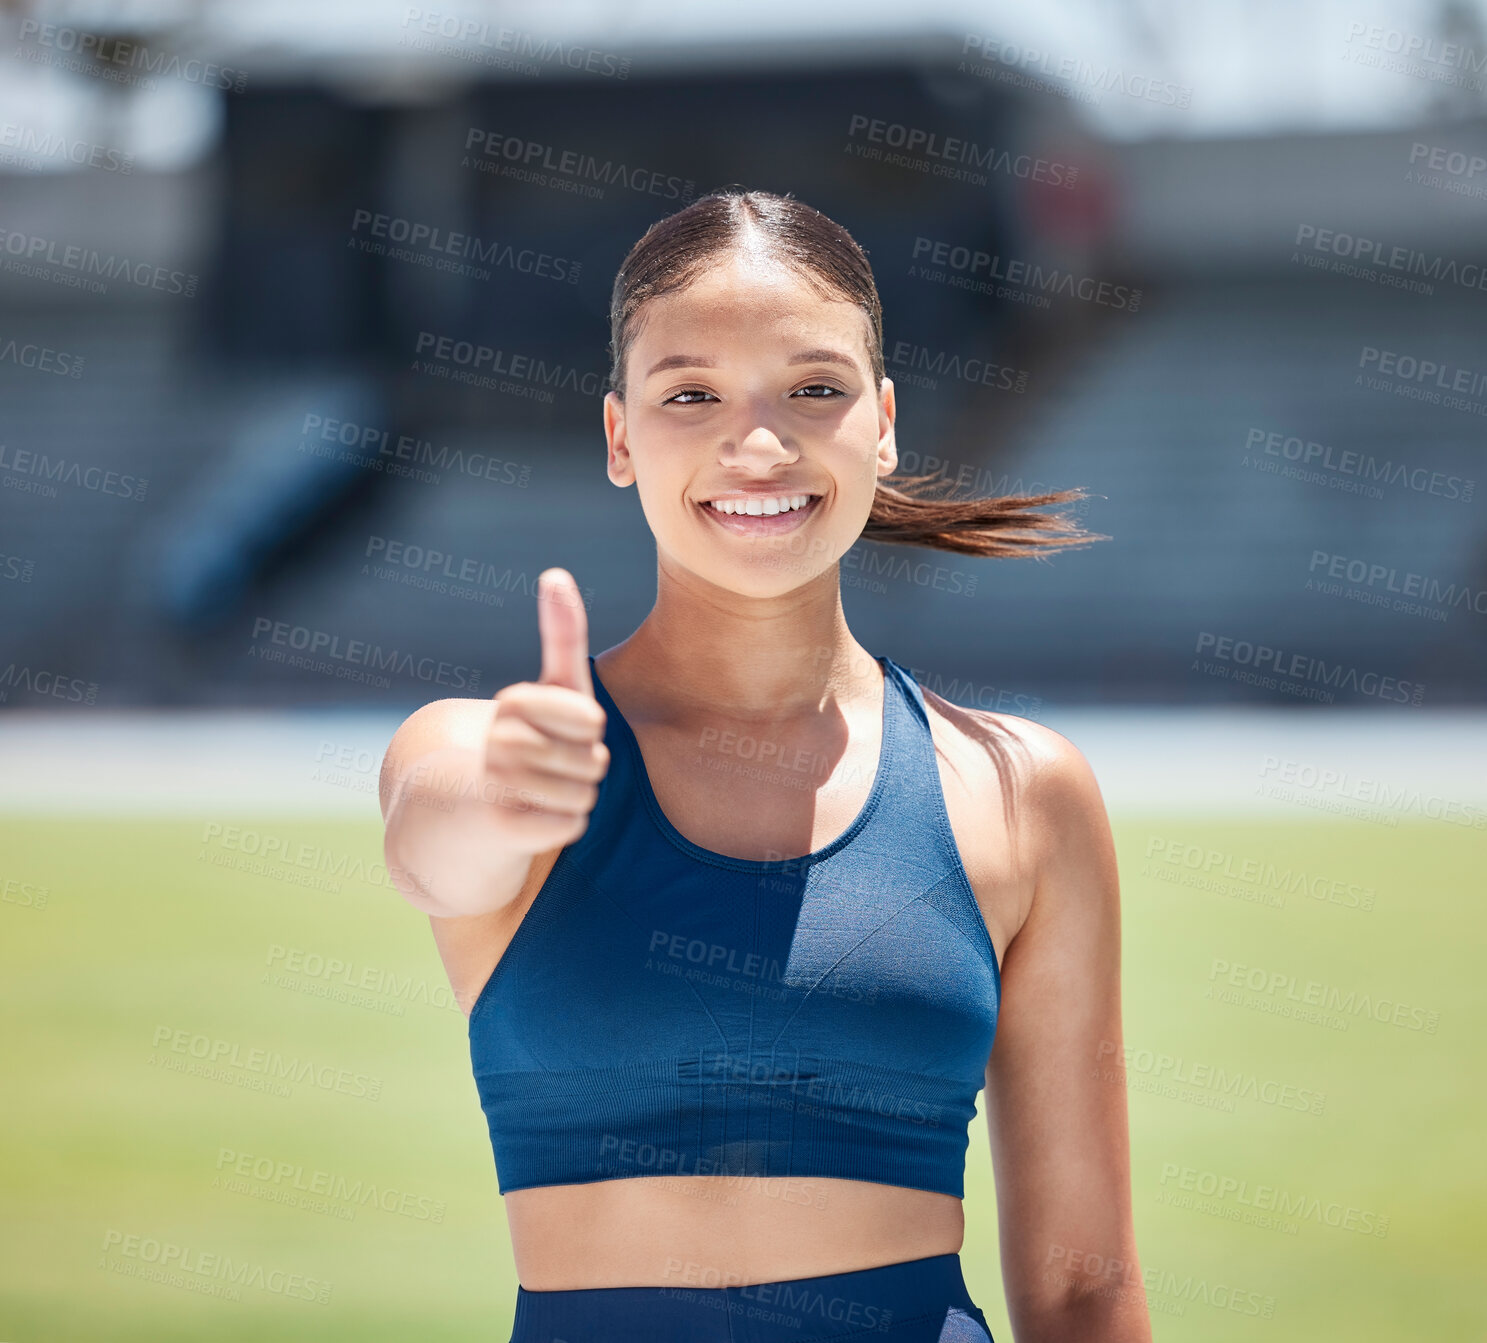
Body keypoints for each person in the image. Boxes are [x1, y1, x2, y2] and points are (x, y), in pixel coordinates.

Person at [378, 187, 1151, 1342]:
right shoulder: (481, 749)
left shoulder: (1015, 788)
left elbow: (1083, 1287)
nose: (757, 443)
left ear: (881, 424)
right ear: (619, 435)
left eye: (814, 389)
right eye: (690, 393)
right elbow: (436, 846)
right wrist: (510, 793)